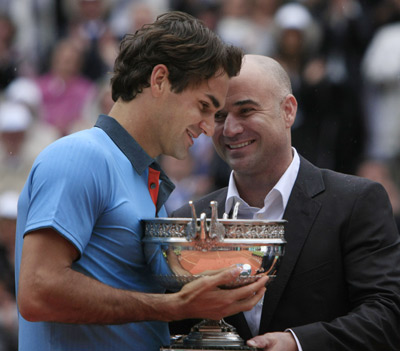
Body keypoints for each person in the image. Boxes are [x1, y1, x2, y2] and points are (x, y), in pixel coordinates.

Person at [15, 12, 269, 351]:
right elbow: (38, 290)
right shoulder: (80, 156)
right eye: (204, 106)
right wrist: (174, 307)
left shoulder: (144, 180)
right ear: (160, 80)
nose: (209, 128)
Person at [170, 54, 400, 351]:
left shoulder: (355, 202)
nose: (230, 129)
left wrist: (298, 343)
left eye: (246, 111)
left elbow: (388, 316)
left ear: (288, 111)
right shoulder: (189, 219)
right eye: (220, 115)